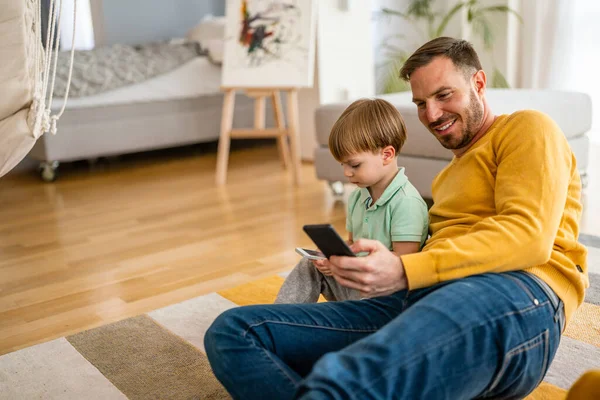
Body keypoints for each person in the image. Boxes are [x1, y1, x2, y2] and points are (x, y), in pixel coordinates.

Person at [204, 37, 589, 399]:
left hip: (514, 294)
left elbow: (528, 238)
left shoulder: (527, 127)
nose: (432, 114)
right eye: (421, 103)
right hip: (417, 299)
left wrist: (405, 269)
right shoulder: (447, 176)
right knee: (233, 331)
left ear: (479, 83)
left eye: (443, 95)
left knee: (344, 379)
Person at [275, 98, 429, 304]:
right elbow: (352, 244)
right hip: (357, 285)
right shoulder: (358, 196)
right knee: (309, 264)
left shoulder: (407, 203)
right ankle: (284, 316)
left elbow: (403, 263)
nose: (347, 173)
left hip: (387, 295)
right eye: (343, 165)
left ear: (387, 155)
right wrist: (333, 257)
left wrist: (348, 264)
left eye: (354, 165)